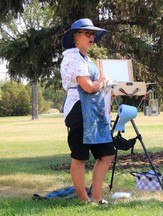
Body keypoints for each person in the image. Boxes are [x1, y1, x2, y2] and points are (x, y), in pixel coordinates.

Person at [60, 18, 115, 204]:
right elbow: (89, 87)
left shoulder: (87, 59)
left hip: (94, 111)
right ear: (76, 37)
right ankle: (84, 200)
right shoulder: (72, 57)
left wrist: (103, 85)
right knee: (80, 156)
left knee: (107, 153)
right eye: (87, 33)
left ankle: (97, 197)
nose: (91, 37)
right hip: (80, 110)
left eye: (93, 34)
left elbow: (95, 87)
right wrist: (103, 81)